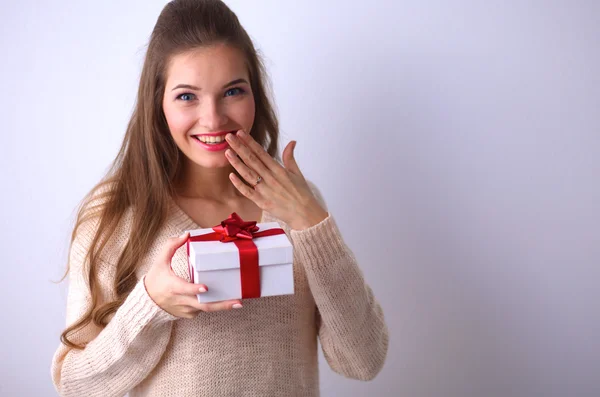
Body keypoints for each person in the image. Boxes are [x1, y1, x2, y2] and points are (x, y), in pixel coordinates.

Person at [51, 0, 389, 395]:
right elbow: (75, 385)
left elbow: (363, 361)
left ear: (255, 95)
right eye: (186, 96)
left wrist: (314, 225)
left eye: (232, 91)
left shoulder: (298, 203)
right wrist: (150, 305)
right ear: (157, 103)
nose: (213, 119)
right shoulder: (115, 215)